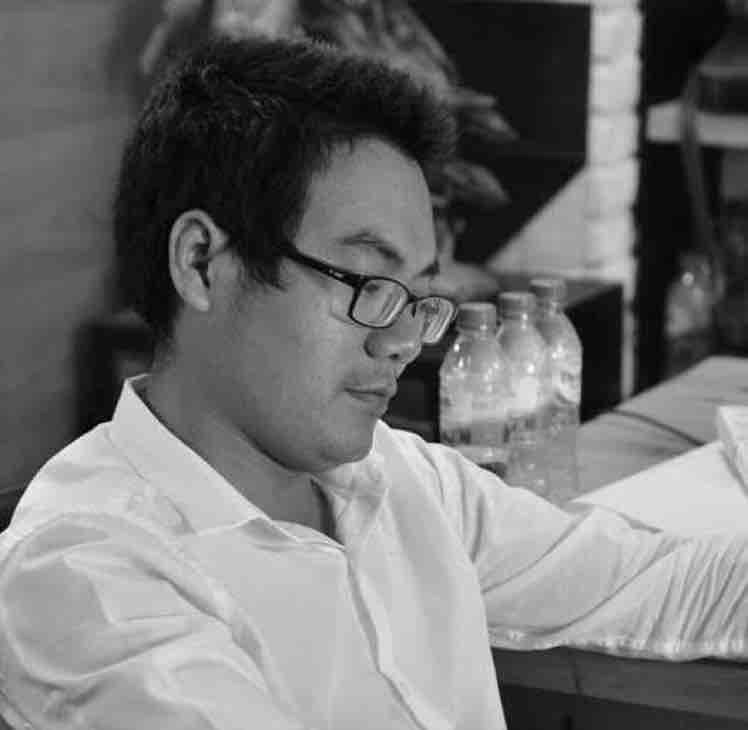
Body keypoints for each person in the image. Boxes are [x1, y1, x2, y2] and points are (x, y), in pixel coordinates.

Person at [0, 35, 745, 730]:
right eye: (367, 283)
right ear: (202, 263)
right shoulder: (87, 575)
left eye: (417, 297)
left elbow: (661, 581)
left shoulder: (400, 478)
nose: (402, 342)